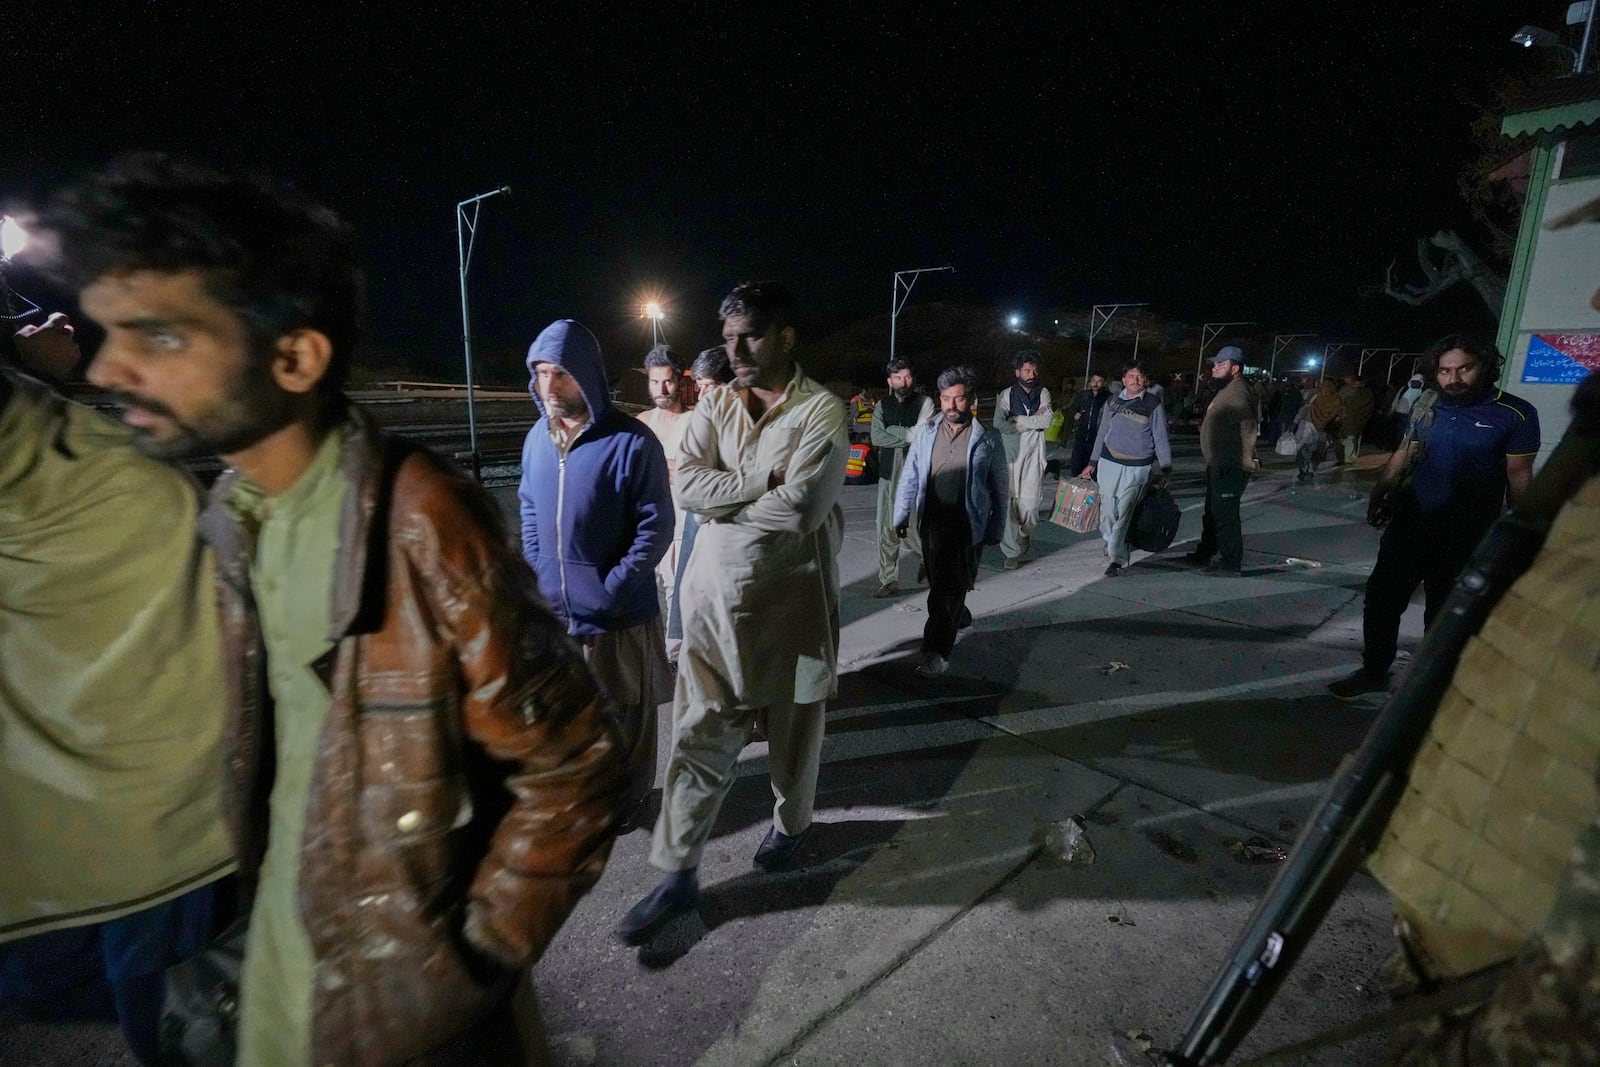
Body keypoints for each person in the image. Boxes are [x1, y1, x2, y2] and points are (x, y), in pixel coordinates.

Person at [49, 153, 625, 1066]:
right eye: (110, 329)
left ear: (294, 355)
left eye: (158, 336)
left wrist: (462, 965)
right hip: (275, 998)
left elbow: (577, 763)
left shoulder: (418, 522)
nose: (111, 363)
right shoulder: (232, 520)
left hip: (399, 1030)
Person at [0, 314, 233, 1066]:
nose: (54, 319)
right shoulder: (35, 437)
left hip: (104, 795)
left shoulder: (45, 423)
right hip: (141, 803)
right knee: (170, 1000)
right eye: (17, 311)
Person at [615, 282, 848, 946]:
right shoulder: (714, 405)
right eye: (726, 337)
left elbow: (803, 509)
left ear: (785, 337)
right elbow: (683, 485)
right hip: (713, 606)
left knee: (793, 739)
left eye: (749, 334)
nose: (735, 349)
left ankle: (792, 827)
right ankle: (676, 873)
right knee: (695, 740)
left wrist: (731, 498)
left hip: (795, 612)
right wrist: (759, 484)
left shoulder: (823, 412)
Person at [519, 321, 674, 824]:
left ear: (585, 375)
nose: (549, 387)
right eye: (541, 374)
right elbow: (528, 509)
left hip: (619, 615)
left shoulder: (632, 442)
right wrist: (539, 576)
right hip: (558, 614)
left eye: (560, 374)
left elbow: (657, 526)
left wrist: (611, 589)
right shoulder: (536, 441)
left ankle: (631, 801)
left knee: (628, 716)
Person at [1328, 334, 1539, 699]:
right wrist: (1380, 492)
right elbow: (1403, 451)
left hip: (1466, 535)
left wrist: (1522, 531)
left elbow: (1519, 476)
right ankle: (1375, 670)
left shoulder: (1516, 413)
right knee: (1381, 601)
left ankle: (1429, 686)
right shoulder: (1428, 404)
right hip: (1411, 524)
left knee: (1443, 614)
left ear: (1485, 367)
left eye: (1464, 369)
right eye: (1444, 371)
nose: (1453, 379)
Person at [892, 365, 1007, 677]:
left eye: (958, 399)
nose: (951, 406)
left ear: (970, 400)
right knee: (942, 585)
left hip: (967, 525)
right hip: (932, 522)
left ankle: (936, 651)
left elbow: (1000, 487)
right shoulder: (927, 432)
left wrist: (997, 527)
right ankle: (957, 616)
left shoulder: (988, 437)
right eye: (945, 399)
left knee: (946, 590)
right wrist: (901, 513)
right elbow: (910, 475)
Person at [666, 346, 736, 652]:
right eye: (700, 386)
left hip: (726, 539)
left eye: (710, 386)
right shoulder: (705, 422)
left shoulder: (745, 426)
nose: (703, 393)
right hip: (699, 529)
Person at [1080, 363, 1173, 576]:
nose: (1135, 380)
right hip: (1109, 462)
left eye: (1140, 377)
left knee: (1125, 511)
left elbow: (1160, 436)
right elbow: (1102, 432)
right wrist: (1092, 462)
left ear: (1146, 380)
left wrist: (1166, 467)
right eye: (1131, 376)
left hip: (1138, 466)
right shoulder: (1113, 401)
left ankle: (1116, 558)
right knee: (1106, 511)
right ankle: (1112, 540)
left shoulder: (1153, 404)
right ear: (1124, 380)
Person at [635, 343, 692, 659]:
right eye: (655, 381)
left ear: (681, 381)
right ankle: (656, 656)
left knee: (676, 591)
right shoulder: (642, 421)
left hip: (681, 524)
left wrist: (676, 470)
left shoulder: (694, 423)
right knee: (648, 591)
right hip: (645, 522)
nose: (661, 388)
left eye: (668, 381)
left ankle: (676, 656)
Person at [1189, 345, 1259, 574]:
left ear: (1235, 368)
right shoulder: (1227, 388)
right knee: (1213, 511)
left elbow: (1248, 426)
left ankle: (1230, 561)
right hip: (1218, 463)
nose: (1215, 368)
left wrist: (1246, 459)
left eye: (1221, 364)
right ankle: (1207, 551)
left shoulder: (1238, 391)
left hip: (1230, 464)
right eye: (1214, 364)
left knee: (1226, 514)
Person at [870, 357, 935, 597]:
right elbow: (876, 437)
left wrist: (892, 431)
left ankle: (928, 561)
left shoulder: (924, 402)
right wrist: (907, 434)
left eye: (907, 376)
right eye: (898, 378)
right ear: (890, 380)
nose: (903, 381)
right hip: (887, 475)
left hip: (914, 474)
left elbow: (923, 435)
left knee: (910, 527)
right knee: (885, 528)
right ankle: (888, 579)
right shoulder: (882, 405)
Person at [994, 350, 1054, 570]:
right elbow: (1000, 424)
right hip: (1010, 456)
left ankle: (1024, 532)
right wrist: (1032, 420)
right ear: (1017, 371)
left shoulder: (1043, 392)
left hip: (1034, 455)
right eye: (1027, 370)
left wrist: (1017, 418)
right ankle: (1011, 551)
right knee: (1009, 505)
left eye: (1034, 370)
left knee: (1029, 507)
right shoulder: (1006, 395)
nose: (1032, 373)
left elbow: (1047, 420)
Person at [1295, 378, 1343, 482]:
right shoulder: (1337, 399)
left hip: (1308, 424)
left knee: (1304, 448)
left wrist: (1296, 421)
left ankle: (1304, 469)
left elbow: (1304, 407)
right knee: (1316, 450)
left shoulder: (1314, 395)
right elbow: (1336, 414)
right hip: (1322, 427)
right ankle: (1311, 469)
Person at [1068, 373, 1113, 478]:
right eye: (1093, 381)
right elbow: (1073, 409)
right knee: (1077, 465)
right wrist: (1075, 414)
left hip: (1098, 437)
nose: (1095, 384)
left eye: (1099, 381)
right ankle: (1077, 489)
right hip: (1081, 435)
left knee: (1093, 468)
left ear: (1104, 383)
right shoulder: (1083, 395)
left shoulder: (1108, 398)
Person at [1337, 371, 1375, 465]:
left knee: (1349, 439)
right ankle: (1350, 458)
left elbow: (1349, 404)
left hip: (1351, 420)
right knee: (1352, 439)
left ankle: (1348, 459)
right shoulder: (1367, 393)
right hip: (1355, 421)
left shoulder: (1360, 393)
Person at [1387, 372, 1426, 449]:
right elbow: (1396, 400)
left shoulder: (1422, 392)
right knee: (1398, 432)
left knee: (1405, 433)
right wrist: (1391, 410)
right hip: (1399, 414)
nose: (1416, 383)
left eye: (1418, 382)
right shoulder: (1404, 389)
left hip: (1411, 416)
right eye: (1414, 382)